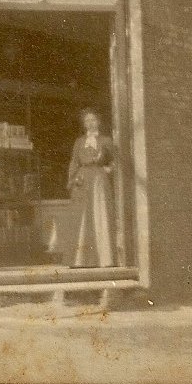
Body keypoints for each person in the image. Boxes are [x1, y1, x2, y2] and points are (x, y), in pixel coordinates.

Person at [66, 107, 117, 268]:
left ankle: (104, 259)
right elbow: (74, 161)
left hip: (99, 181)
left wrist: (108, 169)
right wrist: (72, 179)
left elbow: (117, 161)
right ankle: (80, 261)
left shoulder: (106, 141)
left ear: (99, 122)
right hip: (82, 180)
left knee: (99, 214)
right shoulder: (79, 142)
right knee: (82, 217)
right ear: (84, 124)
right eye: (87, 121)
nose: (90, 123)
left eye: (93, 120)